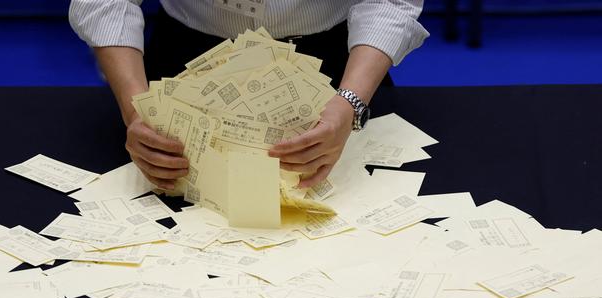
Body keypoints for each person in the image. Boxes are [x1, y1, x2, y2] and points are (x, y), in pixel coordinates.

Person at [69, 1, 428, 190]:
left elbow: (390, 1)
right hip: (188, 57)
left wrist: (349, 103)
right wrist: (138, 109)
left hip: (335, 66)